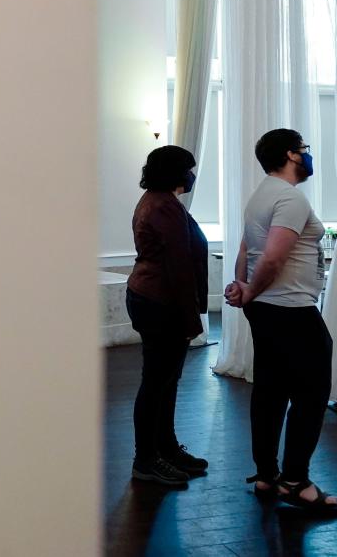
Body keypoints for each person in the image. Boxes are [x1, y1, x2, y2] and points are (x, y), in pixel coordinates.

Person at [224, 129, 337, 516]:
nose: (309, 157)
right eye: (305, 150)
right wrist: (251, 291)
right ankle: (296, 482)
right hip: (290, 309)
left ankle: (266, 476)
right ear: (291, 155)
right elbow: (273, 257)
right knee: (312, 394)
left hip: (269, 308)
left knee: (270, 391)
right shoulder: (289, 198)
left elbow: (247, 248)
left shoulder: (261, 194)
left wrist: (243, 287)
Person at [126, 145, 210, 488]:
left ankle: (166, 448)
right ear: (174, 171)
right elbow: (178, 266)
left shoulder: (160, 201)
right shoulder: (162, 206)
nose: (192, 175)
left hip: (156, 299)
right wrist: (191, 319)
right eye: (188, 169)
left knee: (165, 380)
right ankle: (146, 460)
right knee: (156, 382)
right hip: (160, 301)